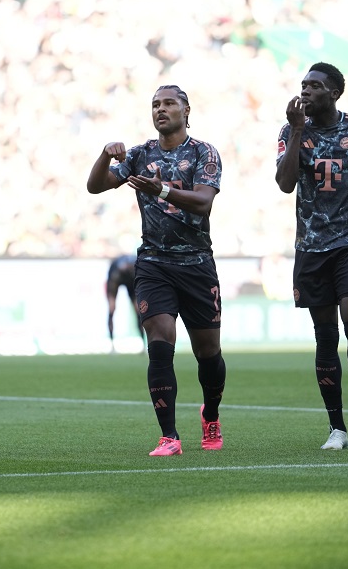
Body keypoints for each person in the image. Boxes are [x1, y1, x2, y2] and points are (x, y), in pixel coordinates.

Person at [87, 85, 226, 457]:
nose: (160, 110)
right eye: (155, 105)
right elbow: (95, 186)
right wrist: (104, 155)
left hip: (197, 264)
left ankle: (211, 415)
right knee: (160, 342)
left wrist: (161, 190)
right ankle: (169, 436)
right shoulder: (139, 154)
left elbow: (203, 203)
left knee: (208, 354)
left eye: (168, 103)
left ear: (186, 110)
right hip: (153, 263)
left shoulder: (203, 152)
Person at [274, 62, 348, 451]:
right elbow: (285, 183)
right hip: (311, 247)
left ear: (335, 93)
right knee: (325, 336)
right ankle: (336, 428)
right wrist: (296, 130)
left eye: (314, 86)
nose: (305, 91)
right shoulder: (291, 131)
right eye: (303, 85)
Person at [106, 253, 145, 352]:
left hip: (131, 281)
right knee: (111, 309)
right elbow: (111, 291)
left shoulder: (137, 270)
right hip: (116, 277)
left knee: (138, 310)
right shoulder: (116, 271)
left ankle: (143, 344)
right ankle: (112, 345)